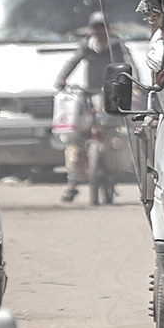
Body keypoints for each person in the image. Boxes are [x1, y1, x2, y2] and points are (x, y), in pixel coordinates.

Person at [54, 12, 117, 203]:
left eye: (102, 26)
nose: (99, 31)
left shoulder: (116, 46)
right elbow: (72, 62)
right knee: (75, 136)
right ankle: (72, 183)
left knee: (114, 133)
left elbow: (128, 64)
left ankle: (113, 171)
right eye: (96, 27)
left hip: (109, 93)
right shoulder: (86, 46)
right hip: (88, 92)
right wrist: (61, 79)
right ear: (91, 29)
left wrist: (134, 84)